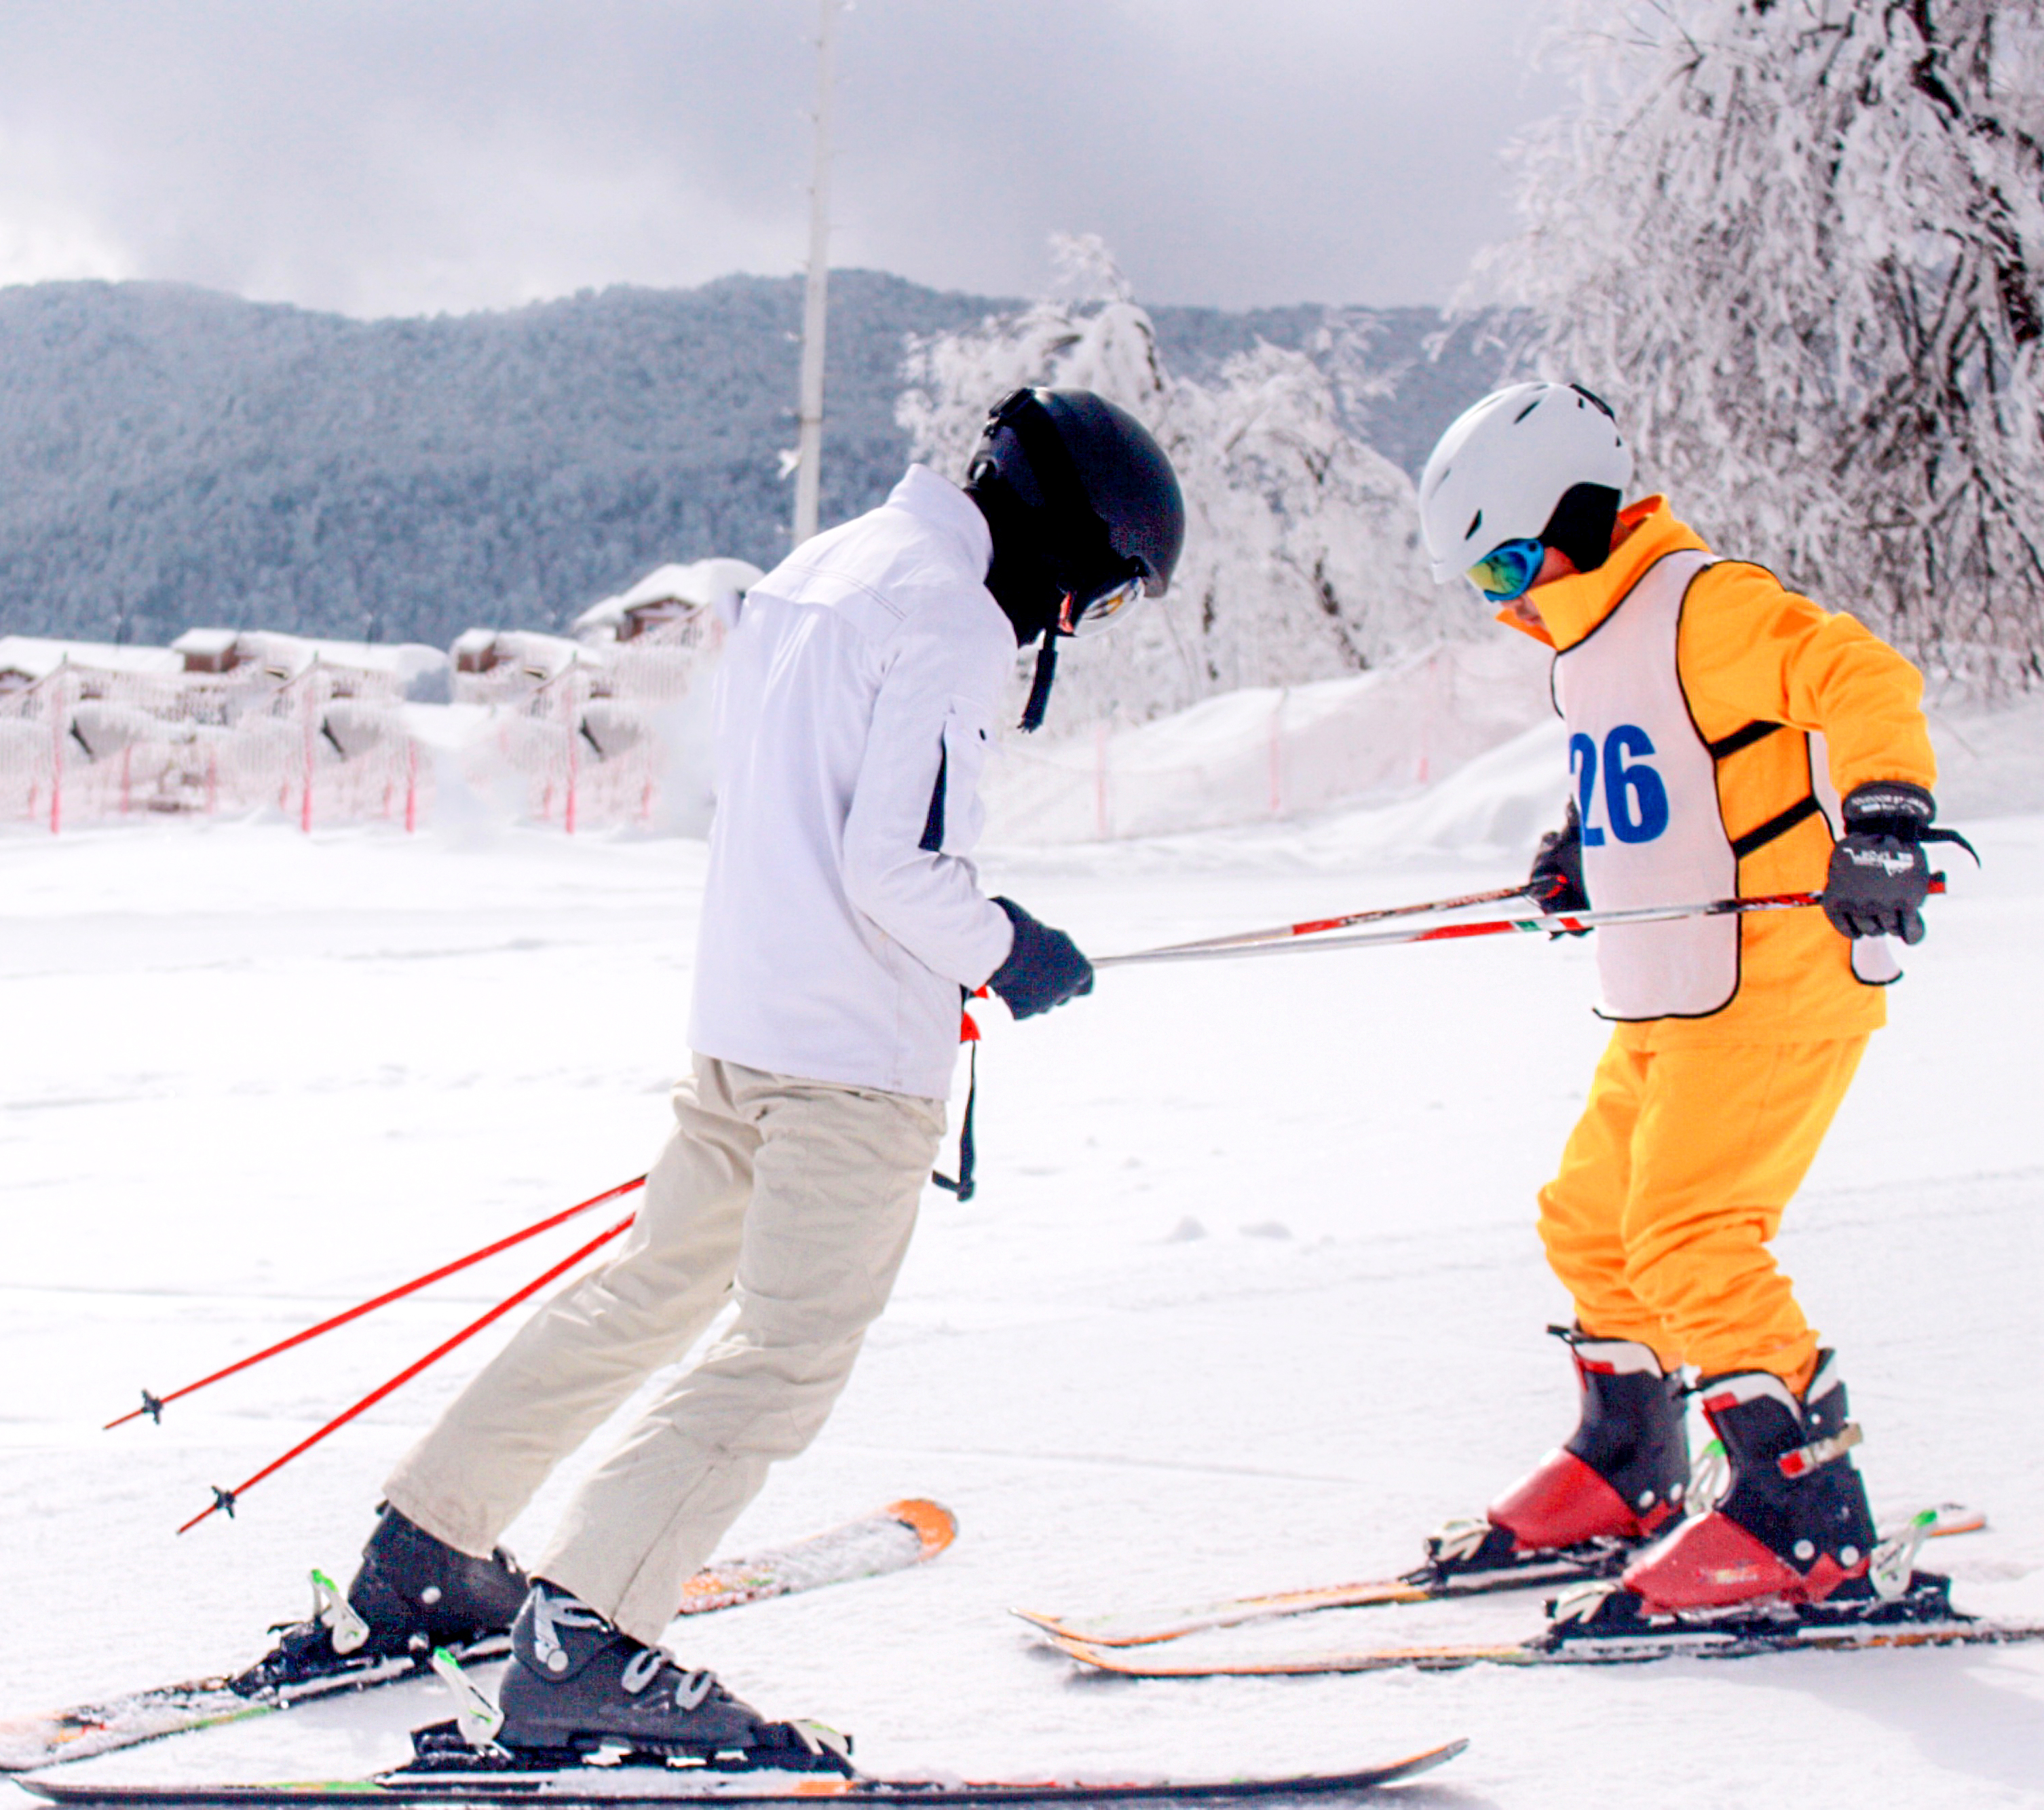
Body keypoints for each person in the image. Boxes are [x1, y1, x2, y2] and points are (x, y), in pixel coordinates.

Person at [233, 388, 1185, 1750]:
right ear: (1065, 536)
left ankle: (428, 1548)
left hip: (745, 1022)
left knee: (645, 1294)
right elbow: (894, 865)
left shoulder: (824, 568)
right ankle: (587, 1644)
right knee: (784, 1353)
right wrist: (1008, 948)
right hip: (851, 1059)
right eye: (1101, 590)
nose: (1072, 622)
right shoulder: (948, 615)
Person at [1414, 381, 1960, 1622]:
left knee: (1691, 1235)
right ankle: (1630, 1466)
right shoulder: (1594, 644)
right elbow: (1665, 770)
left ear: (1581, 514)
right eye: (1481, 585)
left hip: (1777, 977)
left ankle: (1804, 1523)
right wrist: (1584, 850)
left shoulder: (1704, 605)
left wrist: (1883, 817)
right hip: (1669, 989)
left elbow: (1863, 675)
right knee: (1592, 1224)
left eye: (1510, 566)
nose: (1504, 606)